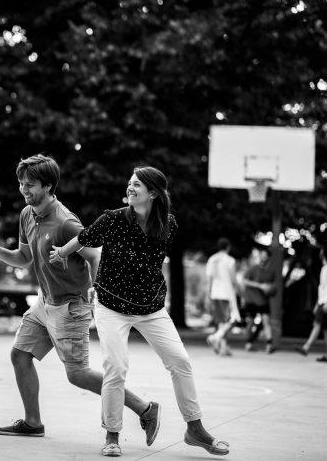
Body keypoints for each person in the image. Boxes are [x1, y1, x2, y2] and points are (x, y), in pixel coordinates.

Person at [0, 155, 158, 449]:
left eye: (31, 184)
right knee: (20, 355)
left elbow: (95, 256)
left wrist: (97, 291)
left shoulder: (66, 223)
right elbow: (24, 259)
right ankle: (32, 423)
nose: (24, 189)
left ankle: (145, 408)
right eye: (21, 183)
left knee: (77, 374)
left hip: (70, 307)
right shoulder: (28, 214)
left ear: (48, 186)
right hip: (44, 302)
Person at [50, 166, 229, 457]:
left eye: (137, 185)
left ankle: (194, 429)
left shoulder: (168, 224)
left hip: (151, 308)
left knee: (180, 361)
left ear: (154, 193)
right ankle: (112, 435)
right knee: (116, 368)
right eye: (130, 183)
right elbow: (84, 239)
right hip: (111, 306)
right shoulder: (114, 219)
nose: (130, 188)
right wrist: (61, 252)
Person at [294, 246, 327, 363]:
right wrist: (318, 303)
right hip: (325, 301)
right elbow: (324, 289)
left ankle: (306, 347)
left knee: (317, 323)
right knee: (326, 329)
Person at [205, 238, 240, 357]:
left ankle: (223, 347)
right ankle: (215, 337)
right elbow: (234, 279)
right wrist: (240, 291)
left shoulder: (212, 259)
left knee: (221, 321)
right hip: (227, 293)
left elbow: (209, 279)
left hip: (215, 293)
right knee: (233, 319)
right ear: (228, 247)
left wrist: (208, 294)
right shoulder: (230, 260)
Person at [242, 248, 277, 353]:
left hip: (263, 300)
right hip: (251, 299)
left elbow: (272, 287)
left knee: (266, 320)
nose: (263, 258)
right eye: (261, 255)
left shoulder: (271, 272)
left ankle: (269, 344)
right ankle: (248, 343)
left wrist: (269, 289)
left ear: (269, 257)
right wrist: (259, 286)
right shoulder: (253, 268)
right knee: (251, 321)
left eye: (265, 256)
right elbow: (244, 281)